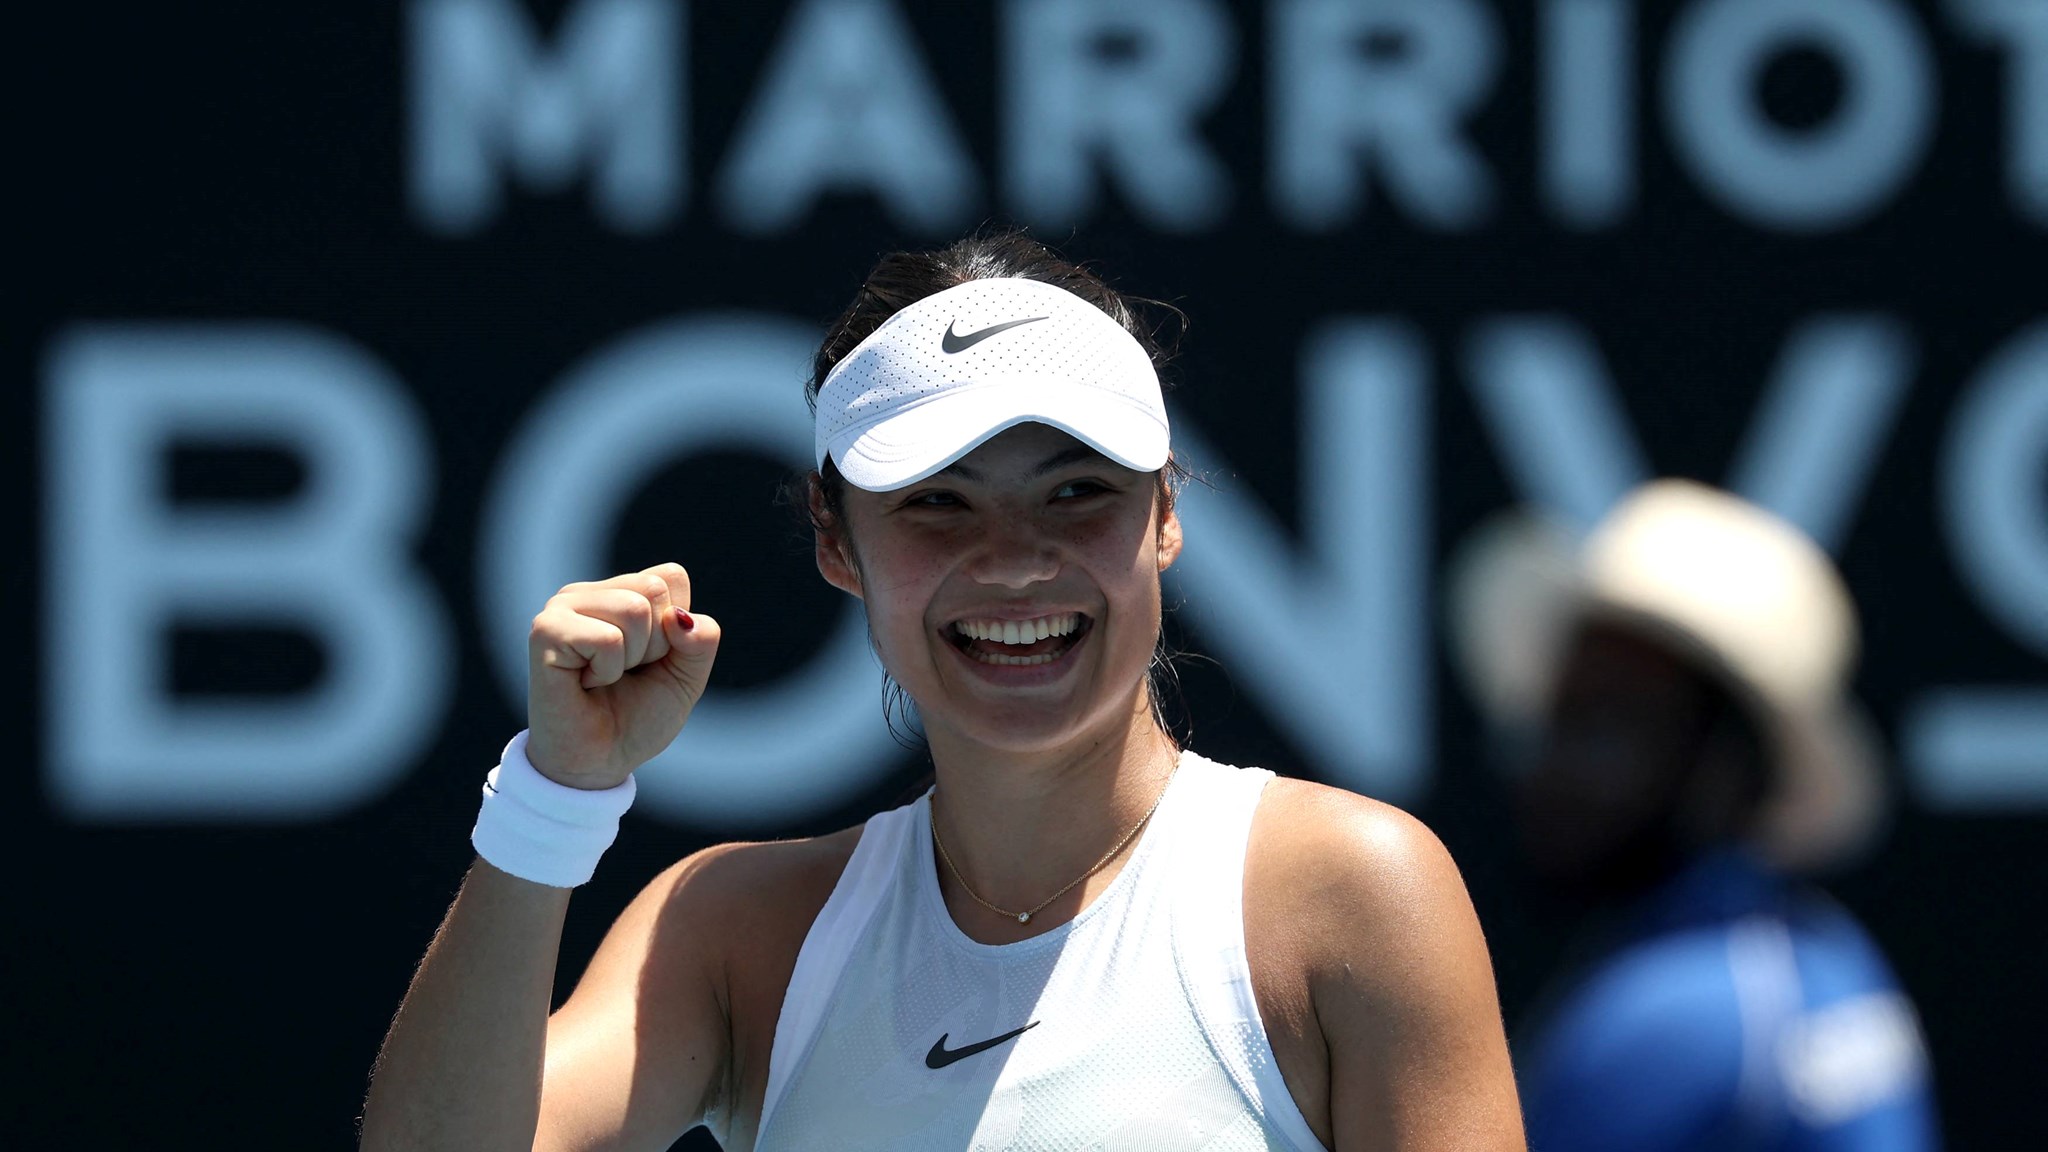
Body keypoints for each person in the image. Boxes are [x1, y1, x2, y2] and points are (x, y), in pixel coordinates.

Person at [359, 232, 1525, 1152]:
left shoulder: (1349, 896)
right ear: (834, 540)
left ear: (1165, 514)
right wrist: (554, 796)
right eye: (936, 502)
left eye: (1076, 493)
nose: (1014, 558)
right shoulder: (734, 933)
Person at [1448, 481, 1941, 1151]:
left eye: (1604, 730)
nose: (1551, 767)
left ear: (1725, 769)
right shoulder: (1832, 954)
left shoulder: (1665, 1020)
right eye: (1556, 720)